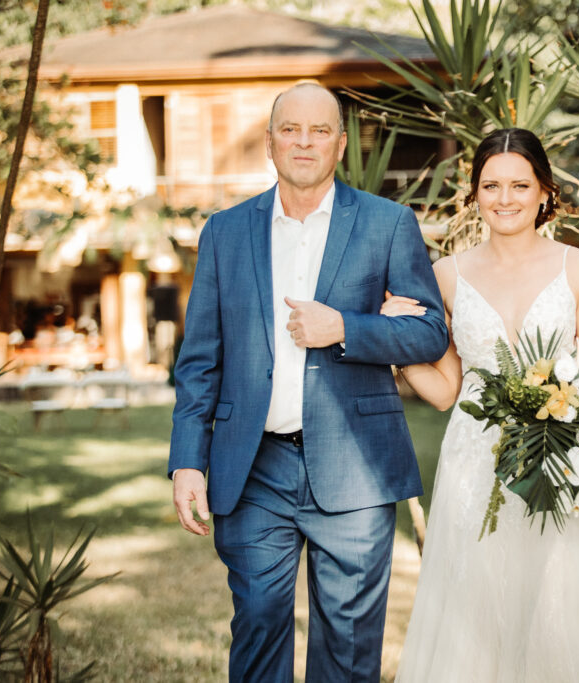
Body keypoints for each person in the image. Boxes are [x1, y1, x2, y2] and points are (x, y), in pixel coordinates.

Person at [168, 83, 449, 683]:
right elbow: (199, 360)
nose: (304, 141)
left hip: (357, 467)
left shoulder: (388, 224)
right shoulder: (224, 231)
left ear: (341, 145)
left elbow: (429, 333)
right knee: (260, 621)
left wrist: (344, 327)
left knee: (347, 646)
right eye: (290, 129)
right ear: (269, 143)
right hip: (253, 467)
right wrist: (188, 461)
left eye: (320, 130)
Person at [384, 128, 579, 681]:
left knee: (558, 613)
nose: (505, 198)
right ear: (474, 194)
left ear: (544, 192)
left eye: (520, 184)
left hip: (563, 461)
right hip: (475, 466)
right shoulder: (446, 275)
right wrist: (396, 339)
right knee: (475, 614)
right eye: (490, 185)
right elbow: (447, 390)